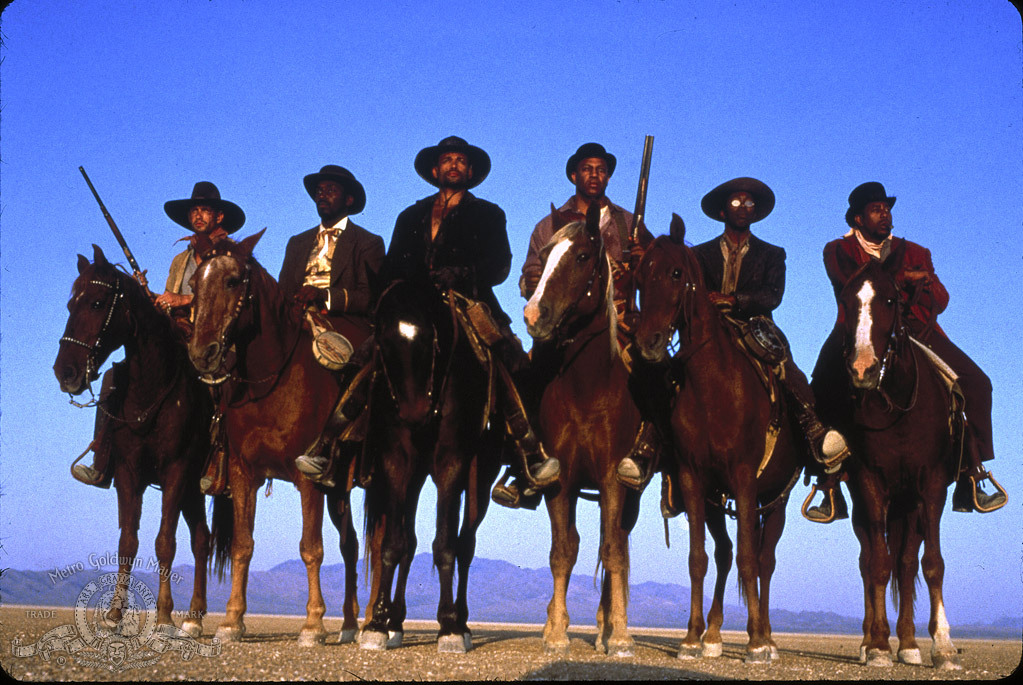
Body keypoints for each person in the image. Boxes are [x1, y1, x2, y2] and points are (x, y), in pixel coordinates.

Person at [296, 137, 559, 494]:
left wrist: (464, 274)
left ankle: (529, 454)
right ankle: (330, 446)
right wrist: (402, 292)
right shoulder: (410, 215)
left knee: (508, 356)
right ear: (435, 171)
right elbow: (391, 268)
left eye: (461, 161)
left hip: (469, 301)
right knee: (367, 357)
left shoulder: (489, 213)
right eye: (447, 160)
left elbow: (499, 265)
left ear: (470, 171)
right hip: (414, 304)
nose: (453, 165)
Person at [811, 181, 1006, 515]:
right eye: (876, 209)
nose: (885, 214)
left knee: (977, 383)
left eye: (887, 209)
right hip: (857, 328)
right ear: (858, 219)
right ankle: (827, 482)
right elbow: (851, 282)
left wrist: (927, 282)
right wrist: (904, 278)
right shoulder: (837, 250)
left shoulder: (917, 251)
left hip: (915, 329)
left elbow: (941, 302)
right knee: (820, 386)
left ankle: (972, 473)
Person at [495, 142, 659, 507]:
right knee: (530, 378)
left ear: (608, 176)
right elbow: (531, 274)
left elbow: (654, 275)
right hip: (563, 325)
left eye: (601, 169)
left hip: (619, 321)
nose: (594, 175)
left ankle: (651, 454)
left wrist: (638, 260)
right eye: (587, 169)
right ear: (574, 175)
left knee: (658, 373)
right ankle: (525, 465)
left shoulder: (629, 223)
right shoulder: (551, 224)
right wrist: (547, 300)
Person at [688, 177, 851, 521]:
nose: (743, 208)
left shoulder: (772, 254)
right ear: (722, 211)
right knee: (675, 371)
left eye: (749, 204)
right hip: (710, 329)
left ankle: (813, 429)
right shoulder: (698, 254)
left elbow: (772, 295)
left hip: (755, 326)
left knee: (786, 369)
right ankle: (652, 448)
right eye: (736, 202)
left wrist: (733, 300)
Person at [72, 182, 245, 487]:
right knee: (117, 377)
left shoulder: (228, 252)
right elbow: (167, 300)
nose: (198, 215)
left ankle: (223, 464)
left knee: (226, 379)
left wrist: (183, 300)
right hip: (176, 332)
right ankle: (102, 458)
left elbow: (226, 296)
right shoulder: (181, 259)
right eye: (194, 210)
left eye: (205, 209)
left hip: (213, 334)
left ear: (219, 217)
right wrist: (149, 295)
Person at [250, 165, 384, 488]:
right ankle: (233, 445)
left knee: (346, 361)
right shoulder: (297, 243)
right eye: (319, 190)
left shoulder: (368, 242)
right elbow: (282, 289)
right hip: (296, 317)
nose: (323, 195)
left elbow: (373, 296)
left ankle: (336, 442)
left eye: (331, 190)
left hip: (343, 319)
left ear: (348, 199)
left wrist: (326, 296)